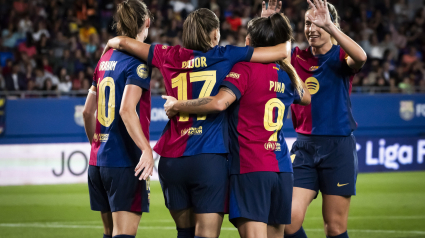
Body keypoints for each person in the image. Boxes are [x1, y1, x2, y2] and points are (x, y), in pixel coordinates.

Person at [103, 1, 290, 237]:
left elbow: (126, 42)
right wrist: (271, 20)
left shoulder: (168, 55)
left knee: (185, 232)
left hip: (172, 160)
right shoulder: (226, 55)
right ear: (215, 34)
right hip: (209, 159)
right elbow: (283, 51)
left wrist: (112, 42)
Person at [162, 13, 311, 238]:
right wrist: (285, 61)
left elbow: (219, 102)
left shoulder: (244, 70)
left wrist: (177, 105)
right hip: (281, 169)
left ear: (249, 43)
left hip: (251, 167)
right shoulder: (286, 75)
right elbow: (306, 97)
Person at [284, 0, 367, 238]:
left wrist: (330, 27)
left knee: (335, 227)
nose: (311, 28)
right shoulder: (295, 57)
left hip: (338, 147)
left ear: (331, 25)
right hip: (305, 146)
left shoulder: (341, 56)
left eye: (318, 23)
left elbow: (360, 58)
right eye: (308, 23)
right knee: (288, 221)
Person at [82, 1, 153, 238]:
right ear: (147, 22)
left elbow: (87, 112)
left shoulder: (104, 59)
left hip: (97, 163)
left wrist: (96, 145)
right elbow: (126, 110)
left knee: (108, 232)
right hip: (123, 162)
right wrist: (146, 149)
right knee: (123, 234)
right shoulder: (138, 61)